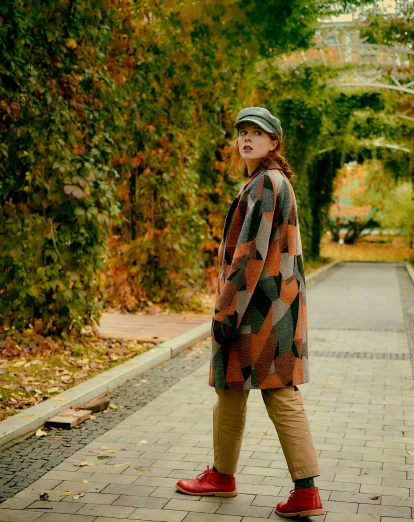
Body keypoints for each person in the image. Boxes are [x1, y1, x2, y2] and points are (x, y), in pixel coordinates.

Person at [175, 107, 324, 518]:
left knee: (279, 394)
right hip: (274, 307)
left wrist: (226, 311)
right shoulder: (272, 183)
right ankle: (223, 476)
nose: (246, 138)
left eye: (257, 132)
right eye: (242, 132)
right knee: (231, 390)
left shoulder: (264, 186)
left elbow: (251, 255)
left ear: (274, 143)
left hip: (258, 313)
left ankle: (306, 491)